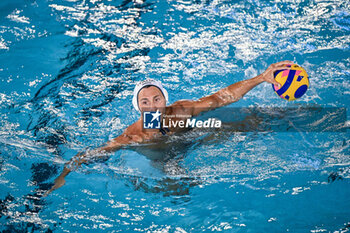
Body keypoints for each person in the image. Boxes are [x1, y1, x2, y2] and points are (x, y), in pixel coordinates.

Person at [45, 60, 294, 196]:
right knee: (181, 190)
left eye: (157, 100)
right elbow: (90, 154)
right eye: (145, 102)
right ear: (138, 107)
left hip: (192, 137)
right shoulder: (136, 135)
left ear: (165, 100)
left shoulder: (181, 111)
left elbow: (223, 97)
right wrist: (62, 177)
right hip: (165, 157)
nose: (152, 106)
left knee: (251, 123)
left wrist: (261, 78)